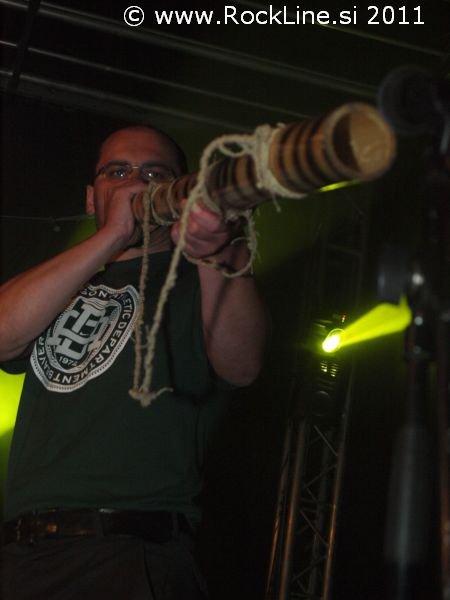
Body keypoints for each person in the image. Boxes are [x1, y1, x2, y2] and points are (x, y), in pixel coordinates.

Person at [0, 125, 268, 599]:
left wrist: (218, 250)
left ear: (178, 192)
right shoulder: (62, 282)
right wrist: (113, 235)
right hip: (23, 555)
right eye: (118, 172)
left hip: (130, 552)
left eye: (154, 174)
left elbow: (242, 365)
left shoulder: (198, 279)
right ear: (91, 197)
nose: (136, 185)